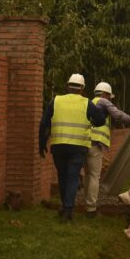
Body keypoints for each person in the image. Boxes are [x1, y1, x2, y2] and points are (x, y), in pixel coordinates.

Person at [38, 73, 108, 222]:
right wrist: (93, 122)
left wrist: (41, 143)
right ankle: (68, 209)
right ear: (82, 88)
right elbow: (101, 120)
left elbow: (44, 123)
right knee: (72, 177)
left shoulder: (56, 101)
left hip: (58, 146)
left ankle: (65, 207)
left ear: (67, 86)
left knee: (62, 176)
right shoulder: (86, 103)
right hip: (78, 147)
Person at [82, 81, 130, 218]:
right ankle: (91, 208)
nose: (110, 99)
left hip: (83, 143)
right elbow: (118, 115)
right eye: (109, 97)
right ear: (105, 94)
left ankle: (87, 204)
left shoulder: (89, 101)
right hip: (95, 144)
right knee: (94, 176)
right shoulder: (103, 102)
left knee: (87, 175)